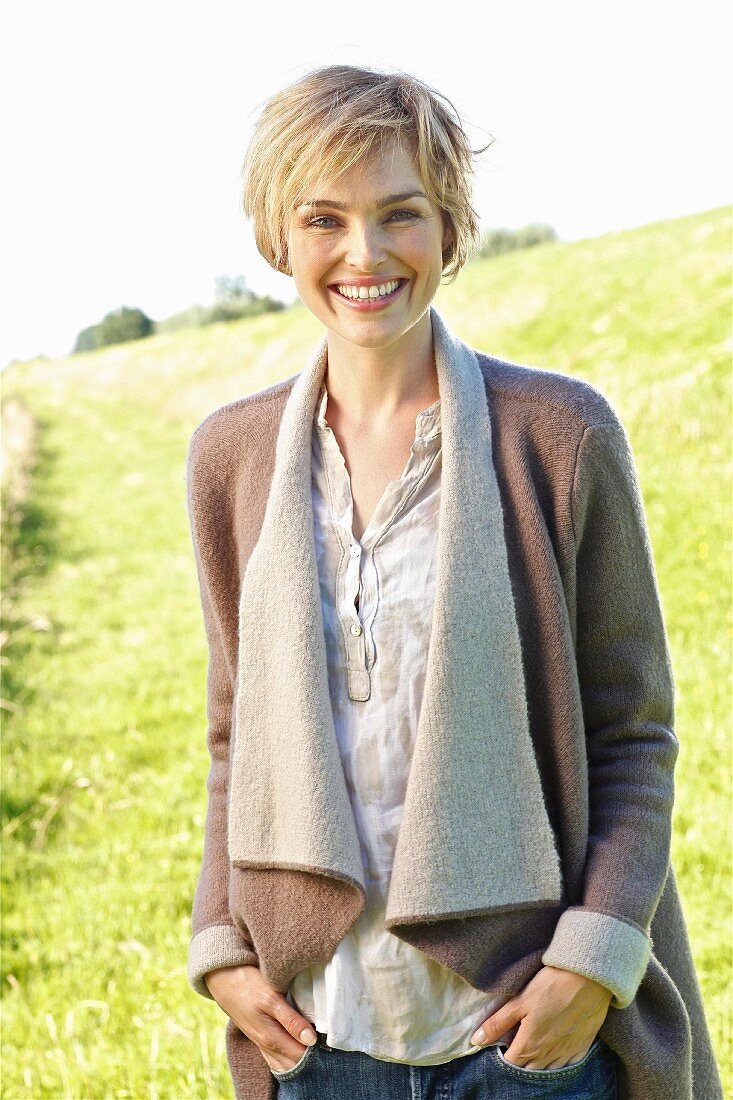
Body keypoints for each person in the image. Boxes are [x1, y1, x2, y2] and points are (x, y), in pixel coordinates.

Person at [184, 64, 722, 1100]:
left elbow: (632, 731)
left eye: (401, 214)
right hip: (321, 1037)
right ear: (278, 239)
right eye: (325, 218)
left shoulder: (556, 436)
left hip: (526, 1035)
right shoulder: (232, 458)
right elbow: (230, 736)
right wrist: (222, 944)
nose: (365, 253)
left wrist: (594, 958)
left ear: (449, 228)